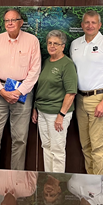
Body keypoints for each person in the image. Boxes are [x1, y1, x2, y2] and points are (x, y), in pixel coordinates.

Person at [0, 9, 41, 170]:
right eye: (7, 20)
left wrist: (19, 91)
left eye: (13, 20)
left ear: (21, 22)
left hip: (23, 93)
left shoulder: (32, 41)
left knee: (20, 139)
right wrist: (1, 91)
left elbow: (35, 70)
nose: (9, 23)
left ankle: (16, 178)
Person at [70, 10, 103, 175]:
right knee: (85, 145)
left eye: (93, 22)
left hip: (98, 98)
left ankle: (97, 185)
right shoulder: (75, 44)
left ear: (99, 25)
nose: (90, 25)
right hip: (79, 98)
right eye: (87, 22)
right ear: (82, 25)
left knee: (97, 147)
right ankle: (89, 182)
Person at [31, 30, 77, 173]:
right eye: (50, 43)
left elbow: (71, 93)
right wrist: (35, 108)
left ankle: (57, 182)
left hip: (57, 114)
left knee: (57, 150)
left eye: (56, 44)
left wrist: (61, 115)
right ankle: (49, 179)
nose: (52, 46)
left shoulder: (67, 64)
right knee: (46, 146)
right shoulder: (46, 62)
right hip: (42, 112)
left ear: (63, 46)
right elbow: (41, 87)